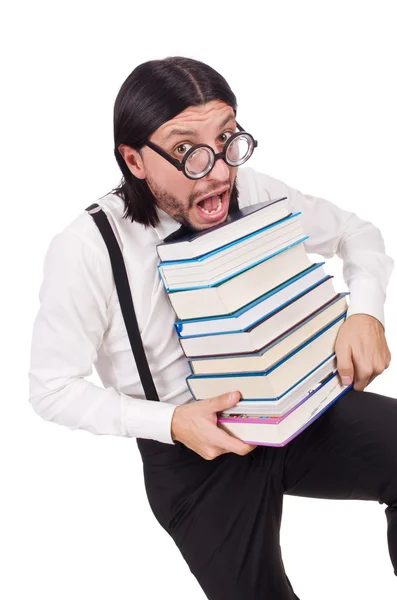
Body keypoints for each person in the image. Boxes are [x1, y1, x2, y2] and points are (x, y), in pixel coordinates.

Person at [28, 56, 396, 599]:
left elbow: (356, 234)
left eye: (227, 139)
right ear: (134, 159)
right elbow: (50, 388)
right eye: (184, 150)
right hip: (194, 462)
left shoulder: (253, 187)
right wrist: (173, 422)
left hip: (298, 407)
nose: (219, 170)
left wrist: (365, 311)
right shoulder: (86, 249)